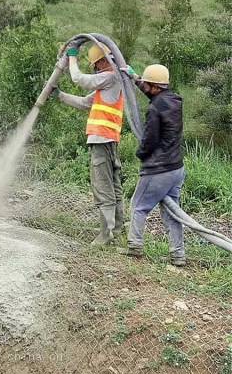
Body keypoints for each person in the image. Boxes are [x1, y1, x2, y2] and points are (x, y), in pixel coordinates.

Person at [52, 43, 125, 246]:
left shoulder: (110, 76)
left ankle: (106, 234)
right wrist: (60, 95)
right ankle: (117, 229)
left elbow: (79, 79)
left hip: (102, 140)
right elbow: (85, 103)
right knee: (113, 186)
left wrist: (72, 56)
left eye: (96, 64)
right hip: (109, 139)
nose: (96, 68)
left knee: (102, 186)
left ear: (102, 61)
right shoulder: (112, 81)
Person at [121, 64, 186, 266]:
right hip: (176, 168)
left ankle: (135, 246)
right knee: (173, 213)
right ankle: (178, 254)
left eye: (148, 84)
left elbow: (150, 140)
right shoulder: (173, 101)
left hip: (158, 169)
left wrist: (140, 154)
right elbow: (151, 91)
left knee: (138, 206)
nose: (146, 87)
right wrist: (134, 77)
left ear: (156, 87)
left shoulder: (155, 108)